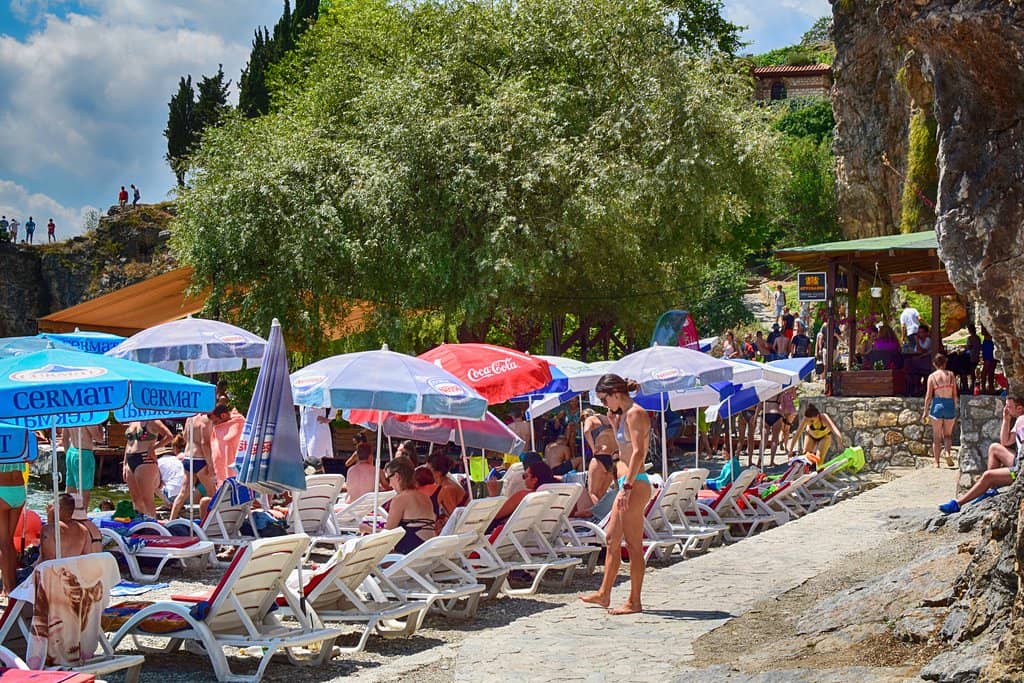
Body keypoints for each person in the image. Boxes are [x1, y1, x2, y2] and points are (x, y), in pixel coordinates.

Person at [581, 374, 652, 615]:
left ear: (614, 393)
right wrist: (613, 425)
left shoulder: (635, 414)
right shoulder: (624, 416)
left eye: (604, 398)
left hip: (634, 483)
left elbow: (638, 453)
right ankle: (604, 594)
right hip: (626, 482)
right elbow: (624, 449)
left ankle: (634, 601)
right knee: (611, 538)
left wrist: (627, 487)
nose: (604, 404)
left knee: (633, 545)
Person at [939, 396, 1024, 514]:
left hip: (1019, 472)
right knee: (994, 448)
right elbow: (1006, 442)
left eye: (1009, 407)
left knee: (988, 475)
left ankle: (958, 503)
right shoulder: (1019, 421)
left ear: (1019, 409)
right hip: (1019, 460)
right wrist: (1006, 420)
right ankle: (991, 489)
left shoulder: (1021, 421)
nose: (1006, 409)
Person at [365, 457, 435, 554]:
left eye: (388, 478)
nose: (389, 484)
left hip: (409, 556)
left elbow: (387, 534)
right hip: (427, 552)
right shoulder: (425, 498)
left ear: (397, 476)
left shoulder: (401, 499)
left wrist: (367, 529)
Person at [171, 412, 217, 520]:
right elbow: (204, 442)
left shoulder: (190, 418)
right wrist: (210, 464)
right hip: (200, 458)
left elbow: (186, 437)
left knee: (183, 493)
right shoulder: (206, 419)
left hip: (188, 457)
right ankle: (209, 521)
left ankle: (171, 520)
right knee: (212, 493)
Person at [123, 419, 173, 518]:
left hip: (144, 459)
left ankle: (152, 525)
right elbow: (129, 443)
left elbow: (169, 436)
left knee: (147, 499)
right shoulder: (133, 420)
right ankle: (140, 524)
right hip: (130, 459)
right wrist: (124, 464)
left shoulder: (153, 421)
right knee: (136, 499)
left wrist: (153, 448)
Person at [490, 461, 557, 531]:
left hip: (514, 536)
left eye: (525, 476)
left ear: (534, 480)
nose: (523, 479)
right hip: (543, 534)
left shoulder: (525, 496)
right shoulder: (554, 495)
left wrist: (493, 493)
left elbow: (495, 515)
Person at [923, 353, 959, 468]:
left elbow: (929, 396)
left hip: (937, 405)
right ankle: (947, 453)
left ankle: (937, 462)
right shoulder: (951, 375)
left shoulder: (932, 377)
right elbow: (955, 394)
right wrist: (955, 405)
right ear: (945, 363)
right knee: (947, 435)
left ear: (934, 364)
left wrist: (925, 411)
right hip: (949, 404)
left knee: (936, 436)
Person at [40, 494, 100, 561]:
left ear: (57, 508)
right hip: (73, 569)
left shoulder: (48, 530)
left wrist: (50, 517)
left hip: (54, 569)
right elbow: (86, 557)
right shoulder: (84, 530)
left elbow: (46, 560)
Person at [61, 424, 103, 513]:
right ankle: (82, 516)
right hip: (84, 453)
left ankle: (65, 515)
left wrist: (68, 454)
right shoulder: (87, 415)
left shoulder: (70, 413)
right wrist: (99, 424)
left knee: (70, 488)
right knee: (84, 491)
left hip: (71, 451)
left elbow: (64, 439)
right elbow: (99, 438)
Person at [0, 461, 25, 594]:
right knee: (8, 542)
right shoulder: (18, 439)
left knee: (3, 544)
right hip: (19, 490)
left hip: (2, 488)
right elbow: (31, 459)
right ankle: (12, 585)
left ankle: (8, 588)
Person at [427, 453, 468, 534]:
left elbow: (454, 518)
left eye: (428, 470)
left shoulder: (446, 489)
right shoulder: (447, 482)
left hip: (454, 533)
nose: (426, 472)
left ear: (438, 472)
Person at [209, 403, 245, 484]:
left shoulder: (239, 423)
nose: (215, 424)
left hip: (238, 468)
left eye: (216, 421)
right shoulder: (218, 429)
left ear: (223, 415)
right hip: (224, 470)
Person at [158, 437, 186, 507]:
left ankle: (167, 503)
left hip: (172, 495)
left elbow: (157, 485)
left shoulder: (158, 462)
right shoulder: (176, 460)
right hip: (188, 494)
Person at [965, 323, 982, 392]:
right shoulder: (978, 338)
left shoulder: (970, 338)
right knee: (973, 371)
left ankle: (972, 385)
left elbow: (969, 347)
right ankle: (973, 383)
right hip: (976, 356)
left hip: (971, 356)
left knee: (971, 371)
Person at [981, 327, 996, 394]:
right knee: (986, 365)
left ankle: (991, 386)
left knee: (992, 367)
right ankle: (983, 386)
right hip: (988, 343)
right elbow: (983, 332)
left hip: (993, 343)